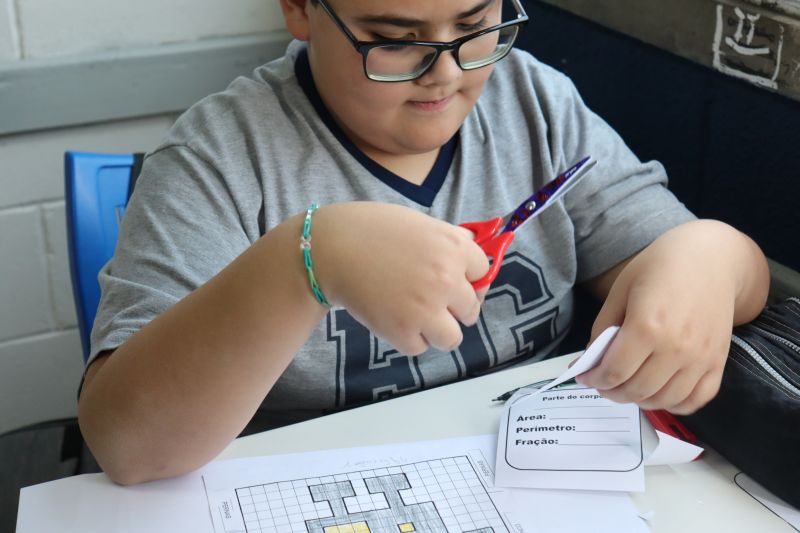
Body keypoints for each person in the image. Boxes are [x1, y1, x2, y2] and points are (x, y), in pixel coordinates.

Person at [77, 0, 770, 485]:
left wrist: (709, 255)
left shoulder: (534, 105)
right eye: (394, 38)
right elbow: (126, 446)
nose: (447, 71)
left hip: (533, 476)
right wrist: (306, 261)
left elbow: (714, 269)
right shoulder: (219, 160)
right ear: (299, 8)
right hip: (317, 491)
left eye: (474, 25)